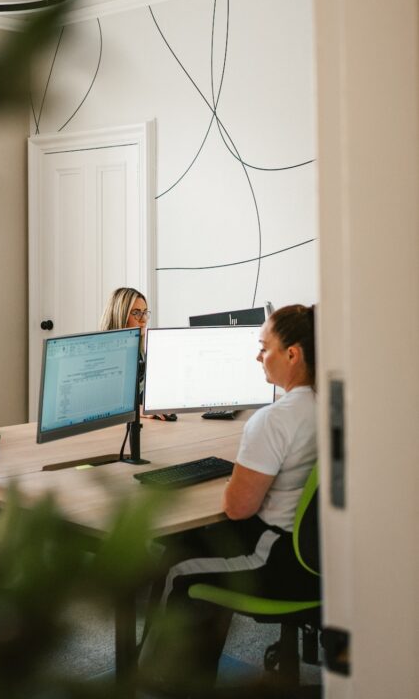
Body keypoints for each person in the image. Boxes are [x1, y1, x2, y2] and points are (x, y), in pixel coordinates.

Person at [140, 303, 318, 694]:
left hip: (281, 559)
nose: (258, 357)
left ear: (293, 354)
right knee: (186, 543)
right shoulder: (334, 406)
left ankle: (167, 684)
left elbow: (238, 507)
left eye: (263, 347)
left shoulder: (274, 420)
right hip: (327, 561)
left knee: (175, 563)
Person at [99, 287, 177, 422]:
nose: (143, 319)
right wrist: (137, 410)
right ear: (120, 315)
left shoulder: (140, 352)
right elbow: (100, 404)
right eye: (136, 313)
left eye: (145, 312)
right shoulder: (102, 356)